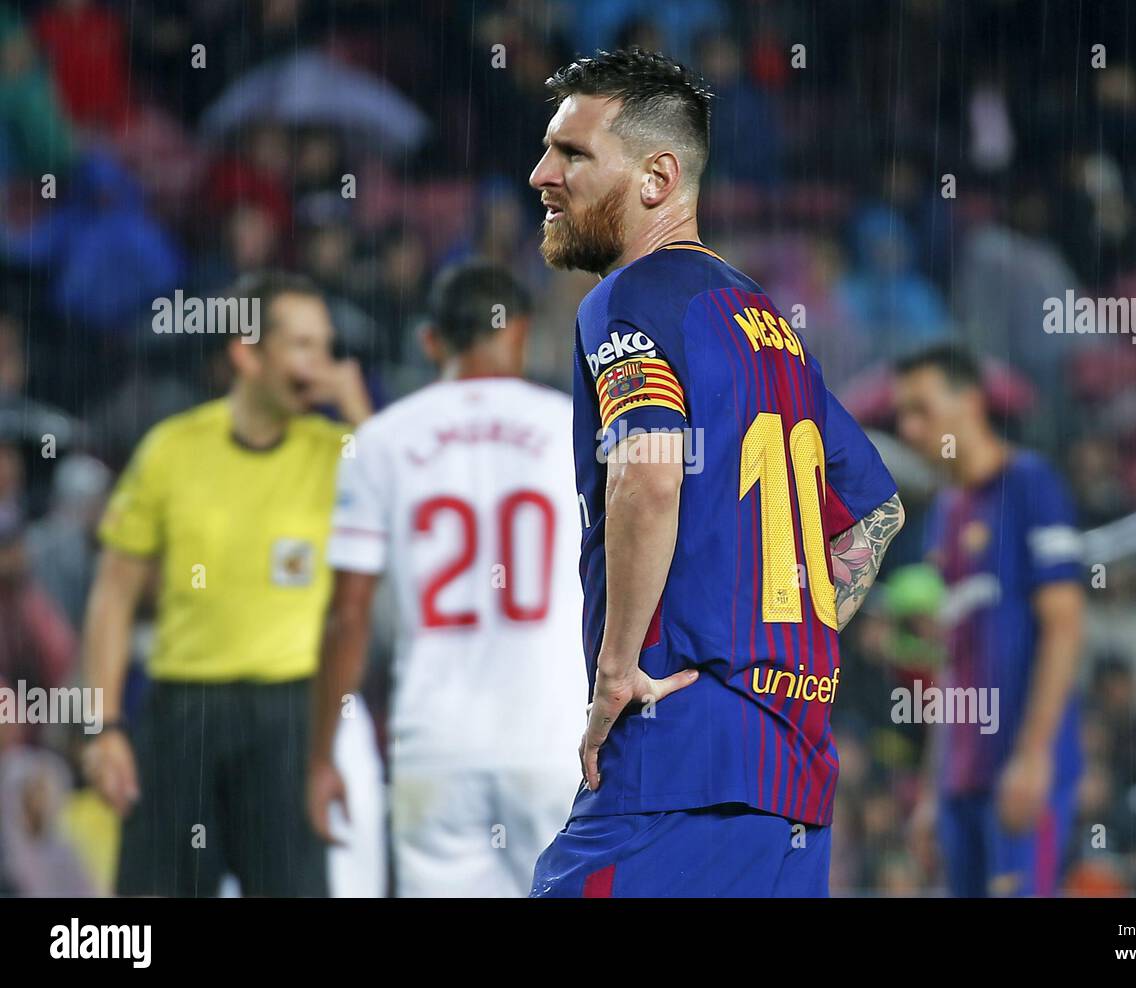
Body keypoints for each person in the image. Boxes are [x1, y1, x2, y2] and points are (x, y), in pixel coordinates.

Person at [526, 48, 903, 897]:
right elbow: (877, 513)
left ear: (658, 176)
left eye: (573, 153)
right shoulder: (765, 324)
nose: (542, 173)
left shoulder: (628, 301)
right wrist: (786, 645)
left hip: (678, 760)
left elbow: (649, 470)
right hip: (794, 771)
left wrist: (616, 673)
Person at [81, 271, 375, 897]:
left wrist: (357, 412)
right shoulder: (171, 449)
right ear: (246, 353)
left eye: (326, 346)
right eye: (301, 345)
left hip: (293, 717)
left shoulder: (345, 450)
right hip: (181, 713)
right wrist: (102, 726)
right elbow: (112, 595)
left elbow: (407, 521)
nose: (320, 363)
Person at [308, 259, 587, 896]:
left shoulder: (379, 441)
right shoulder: (572, 431)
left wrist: (322, 754)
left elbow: (347, 614)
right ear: (521, 331)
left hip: (436, 746)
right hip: (554, 741)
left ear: (432, 341)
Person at [893, 344, 1084, 897]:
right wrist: (933, 790)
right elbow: (945, 666)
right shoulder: (943, 517)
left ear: (970, 402)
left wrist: (1033, 756)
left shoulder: (1031, 486)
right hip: (961, 782)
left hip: (1020, 773)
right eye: (902, 414)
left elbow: (1065, 624)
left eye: (921, 410)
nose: (908, 429)